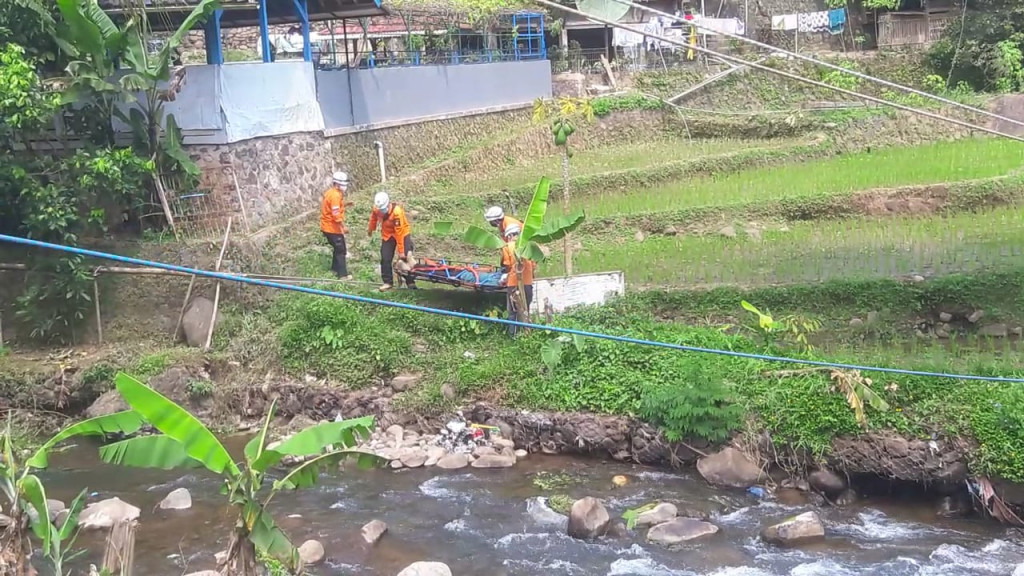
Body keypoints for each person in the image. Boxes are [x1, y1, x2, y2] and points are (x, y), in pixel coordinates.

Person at [368, 191, 416, 292]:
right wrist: (370, 229)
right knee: (385, 257)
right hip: (387, 234)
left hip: (402, 232)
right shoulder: (377, 208)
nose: (381, 211)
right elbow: (373, 218)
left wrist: (401, 250)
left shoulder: (397, 212)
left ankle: (410, 281)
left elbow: (399, 233)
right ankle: (387, 282)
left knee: (406, 256)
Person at [499, 223, 535, 336]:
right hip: (528, 282)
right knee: (526, 309)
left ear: (509, 236)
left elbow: (507, 266)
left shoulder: (507, 248)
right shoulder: (529, 246)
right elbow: (533, 265)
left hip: (513, 283)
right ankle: (527, 333)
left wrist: (505, 276)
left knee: (512, 311)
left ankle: (513, 335)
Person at [320, 171, 354, 279]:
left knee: (337, 248)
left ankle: (335, 268)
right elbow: (335, 214)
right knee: (341, 250)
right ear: (337, 184)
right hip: (332, 228)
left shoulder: (332, 193)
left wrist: (346, 204)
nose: (345, 187)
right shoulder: (335, 195)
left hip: (327, 227)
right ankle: (342, 275)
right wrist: (343, 227)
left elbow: (334, 206)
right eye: (343, 184)